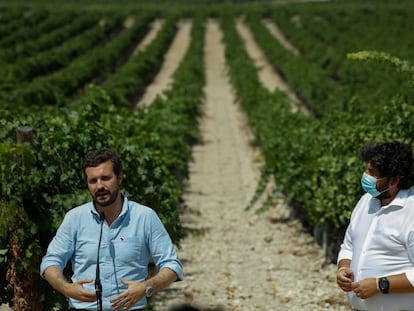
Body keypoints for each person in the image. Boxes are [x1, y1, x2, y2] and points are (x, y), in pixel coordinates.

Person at [40, 148, 183, 311]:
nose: (99, 186)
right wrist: (67, 289)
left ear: (119, 178)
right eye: (93, 181)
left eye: (105, 178)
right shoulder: (75, 218)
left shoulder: (145, 217)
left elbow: (172, 265)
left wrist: (146, 287)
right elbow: (50, 262)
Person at [337, 141, 414, 311]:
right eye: (366, 170)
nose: (365, 176)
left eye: (372, 173)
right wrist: (343, 267)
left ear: (394, 180)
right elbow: (349, 246)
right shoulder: (365, 202)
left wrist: (381, 285)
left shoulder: (411, 212)